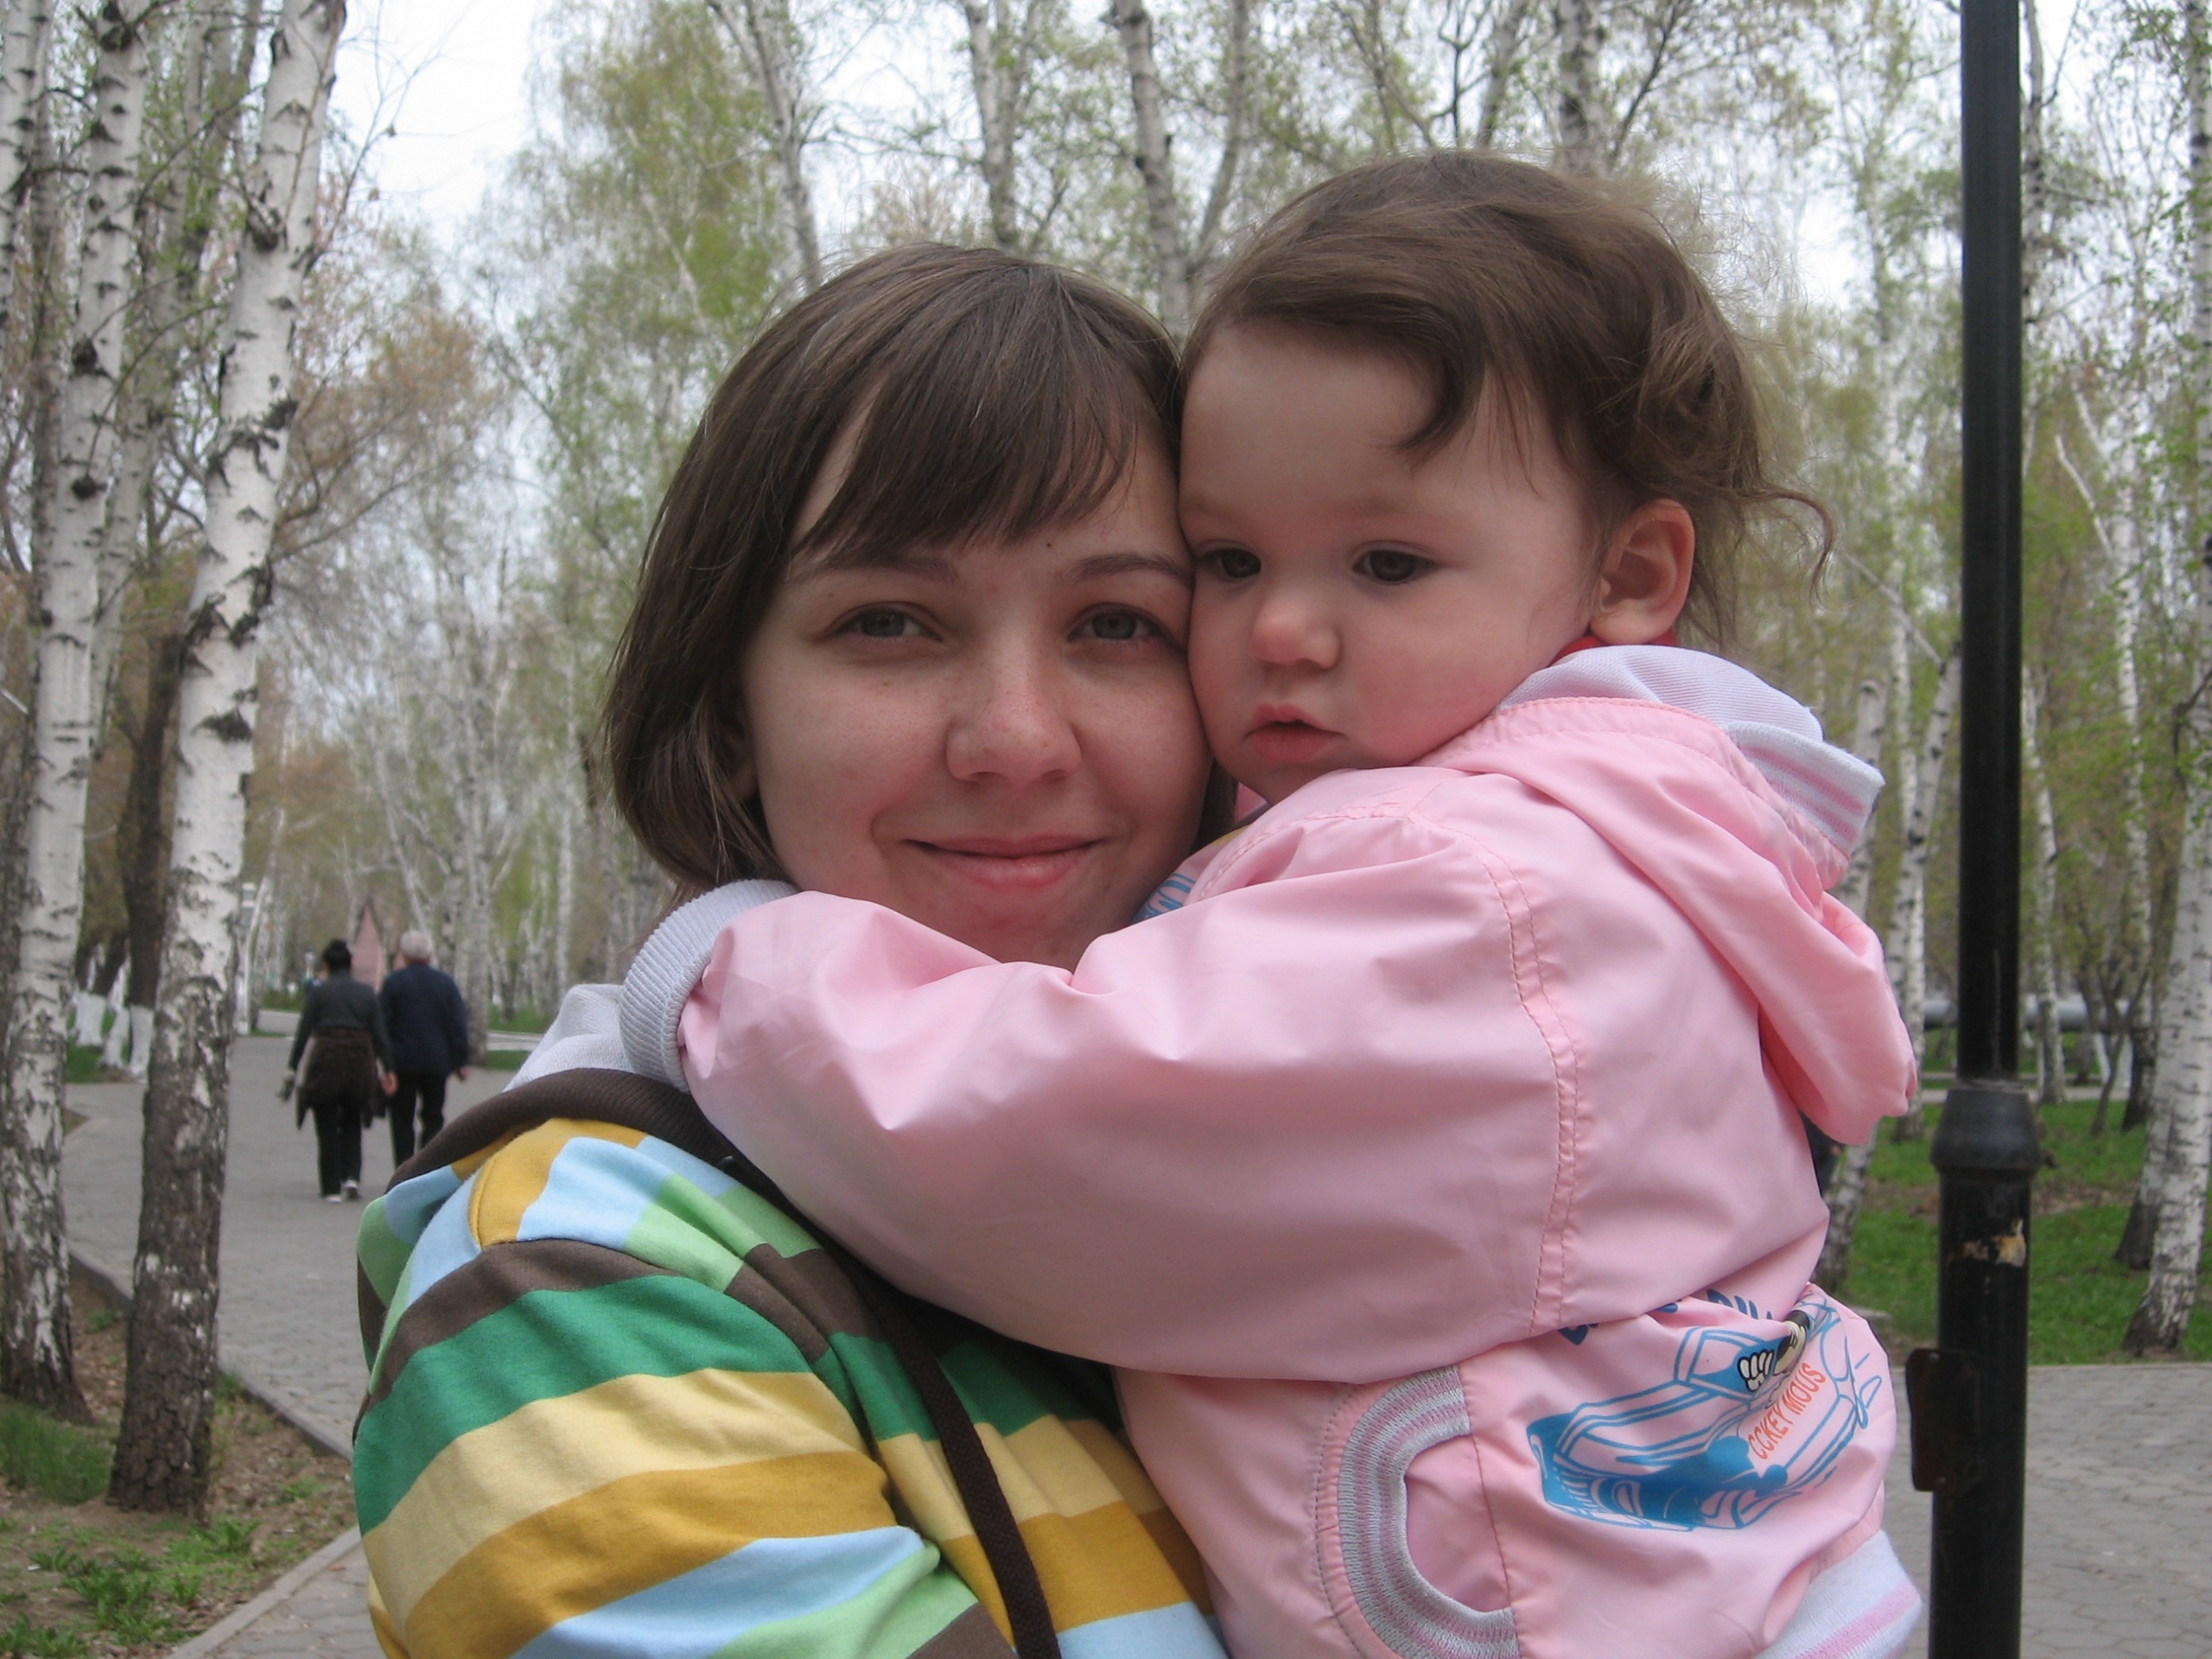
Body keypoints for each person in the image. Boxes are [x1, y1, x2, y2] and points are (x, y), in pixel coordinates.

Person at [614, 156, 1924, 1659]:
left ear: (1628, 574)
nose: (1286, 630)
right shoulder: (590, 1284)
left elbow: (1047, 1136)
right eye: (1230, 564)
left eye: (1388, 563)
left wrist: (726, 969)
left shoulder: (1493, 901)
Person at [353, 246, 1228, 1659]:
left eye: (1119, 624)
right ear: (729, 709)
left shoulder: (1324, 1176)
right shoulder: (574, 1284)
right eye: (890, 623)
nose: (1015, 738)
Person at [284, 938, 394, 1202]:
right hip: (359, 1062)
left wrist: (292, 1067)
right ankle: (352, 1178)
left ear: (326, 964)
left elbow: (303, 1032)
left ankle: (331, 1186)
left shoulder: (319, 992)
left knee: (326, 1122)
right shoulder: (366, 993)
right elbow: (379, 1034)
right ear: (351, 963)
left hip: (326, 1060)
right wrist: (389, 1068)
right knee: (353, 1119)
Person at [375, 930, 469, 1165]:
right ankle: (428, 1166)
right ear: (429, 954)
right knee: (433, 1117)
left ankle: (403, 1167)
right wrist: (461, 1061)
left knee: (401, 1119)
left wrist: (384, 1063)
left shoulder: (394, 982)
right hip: (437, 1063)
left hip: (402, 1063)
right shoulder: (446, 984)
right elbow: (457, 1023)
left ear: (404, 955)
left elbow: (382, 1024)